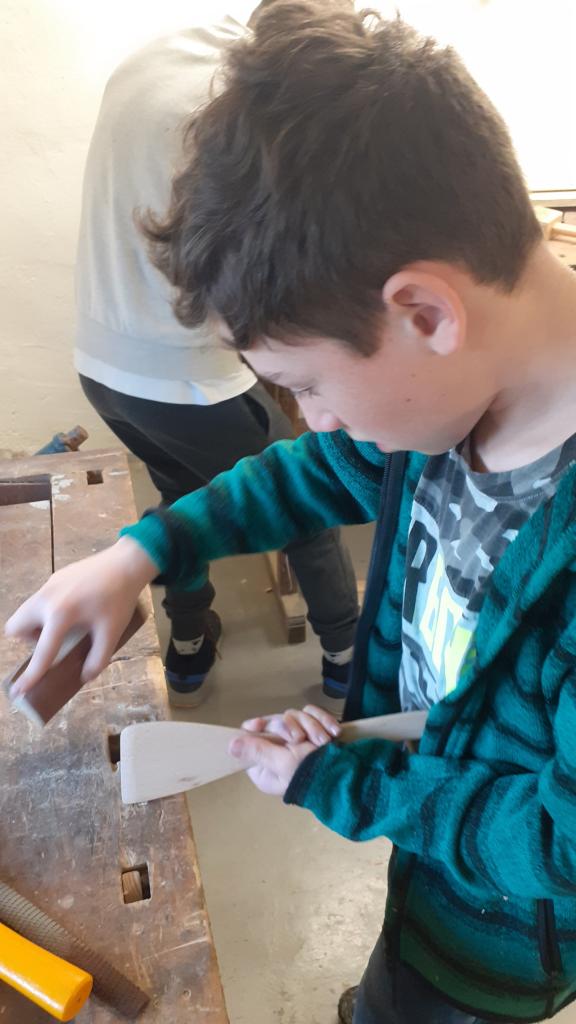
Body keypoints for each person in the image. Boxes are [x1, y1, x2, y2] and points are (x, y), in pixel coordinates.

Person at [8, 3, 576, 1022]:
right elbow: (309, 475)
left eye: (302, 383)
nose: (309, 418)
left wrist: (346, 784)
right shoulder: (453, 403)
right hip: (429, 836)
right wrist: (140, 553)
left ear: (424, 312)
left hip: (498, 934)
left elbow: (559, 843)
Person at [74, 3, 359, 706]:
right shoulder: (255, 91)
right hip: (185, 378)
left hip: (104, 366)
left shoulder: (158, 55)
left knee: (182, 496)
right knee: (303, 505)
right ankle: (347, 658)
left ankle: (190, 646)